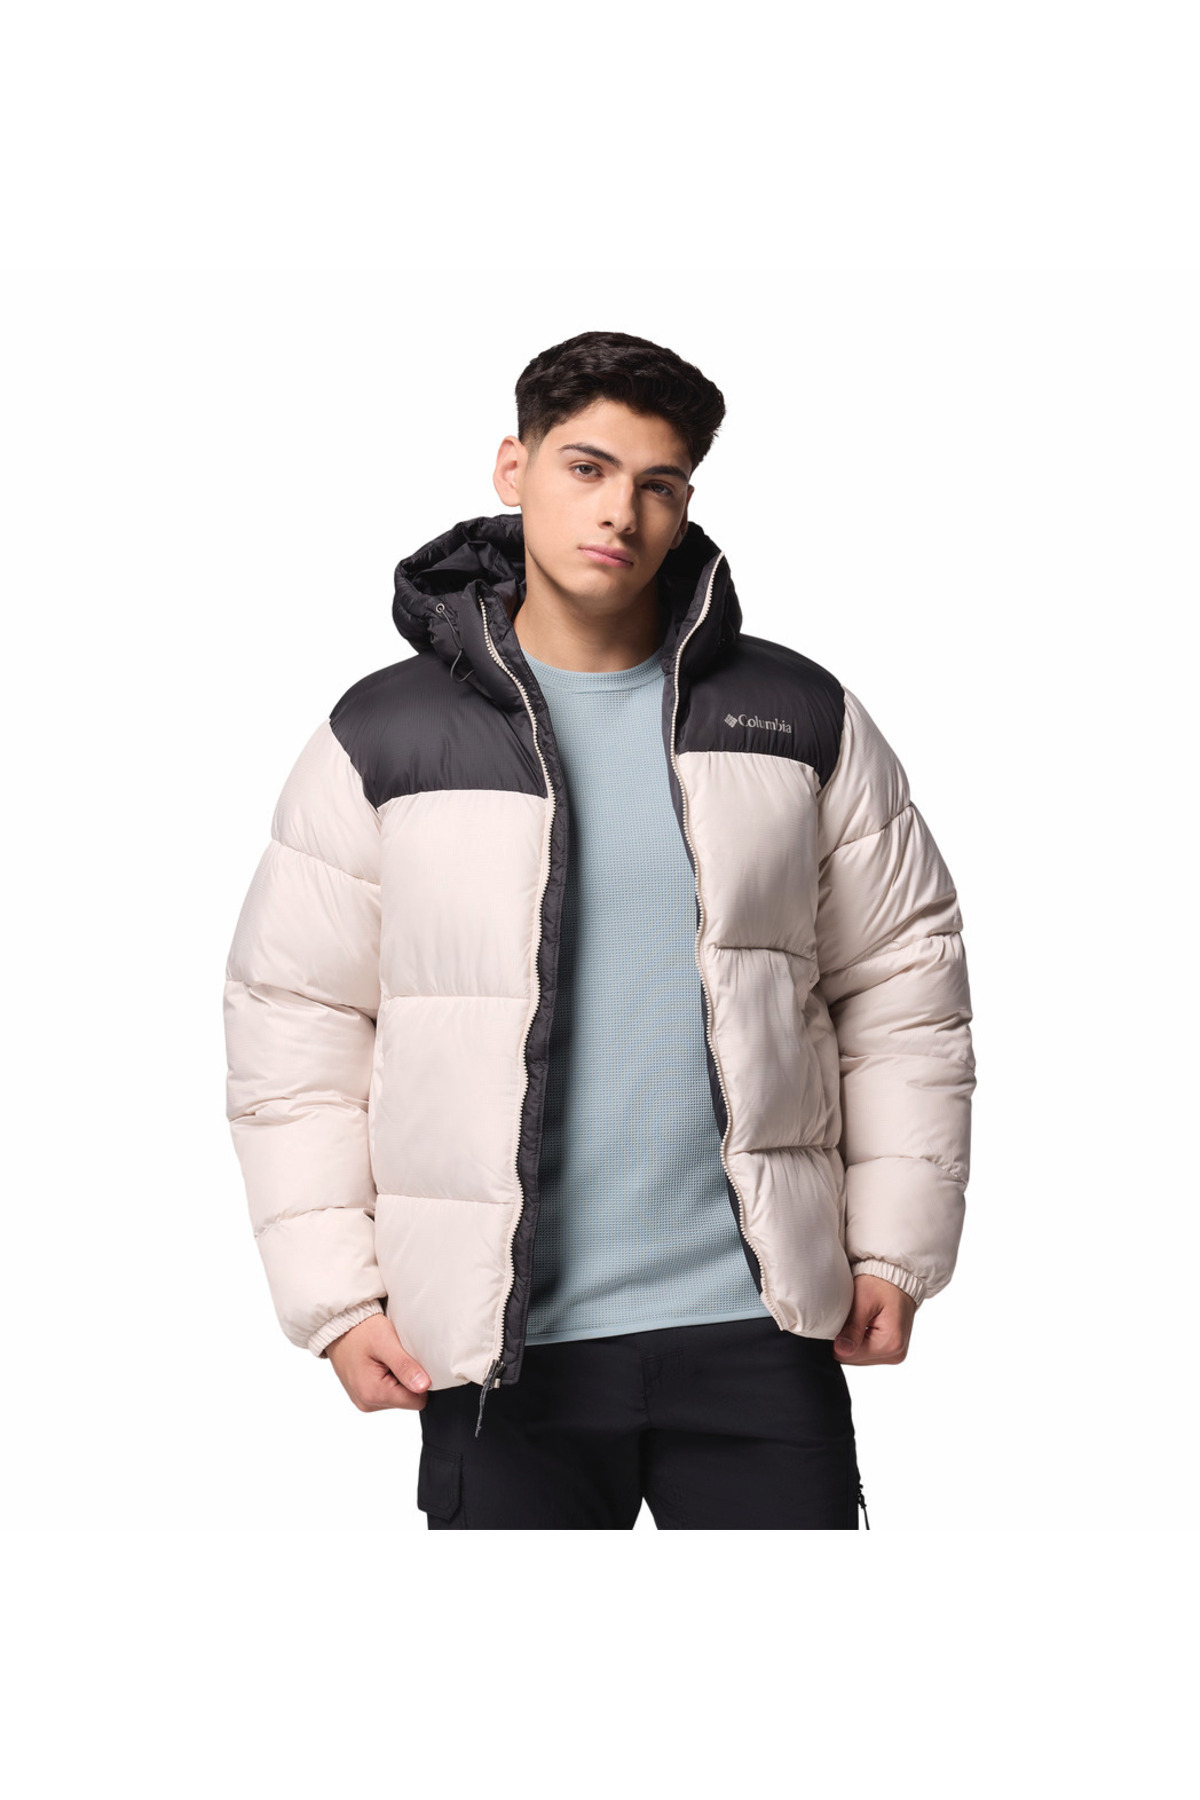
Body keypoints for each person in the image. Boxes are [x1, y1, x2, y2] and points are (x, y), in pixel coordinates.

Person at [223, 329, 976, 1530]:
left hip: (761, 1329)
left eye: (659, 484)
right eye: (586, 468)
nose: (621, 512)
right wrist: (337, 1300)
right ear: (513, 468)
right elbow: (296, 1028)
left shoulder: (798, 715)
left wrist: (892, 1250)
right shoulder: (382, 736)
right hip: (498, 1349)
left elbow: (903, 992)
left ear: (685, 506)